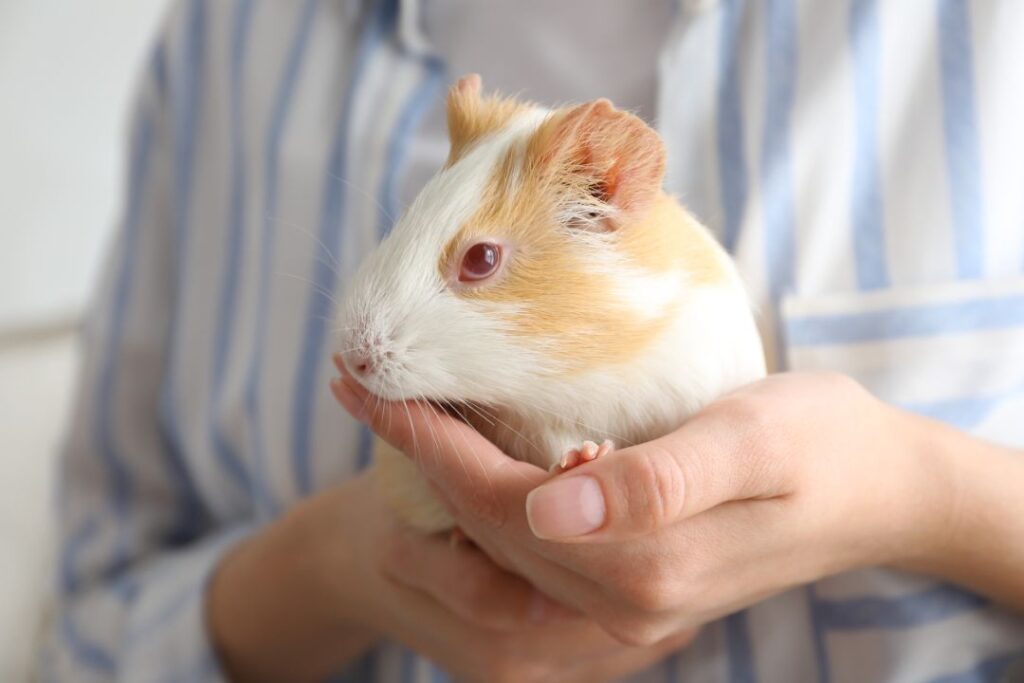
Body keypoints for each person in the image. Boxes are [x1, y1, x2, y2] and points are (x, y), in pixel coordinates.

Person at [43, 0, 1024, 681]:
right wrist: (333, 571)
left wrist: (922, 496)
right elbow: (83, 633)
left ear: (609, 190)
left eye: (473, 262)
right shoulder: (230, 39)